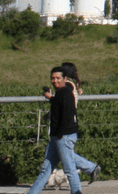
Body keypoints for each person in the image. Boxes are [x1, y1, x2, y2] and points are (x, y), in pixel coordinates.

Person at [27, 66, 85, 194]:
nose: (55, 81)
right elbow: (58, 105)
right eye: (53, 78)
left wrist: (60, 135)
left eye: (58, 78)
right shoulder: (60, 94)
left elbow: (68, 115)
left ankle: (77, 192)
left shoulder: (66, 93)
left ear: (65, 79)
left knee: (69, 168)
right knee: (46, 169)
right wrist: (51, 99)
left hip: (63, 136)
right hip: (56, 137)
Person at [57, 62, 102, 183]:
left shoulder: (67, 85)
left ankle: (90, 169)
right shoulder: (74, 84)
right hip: (71, 120)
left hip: (65, 122)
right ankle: (91, 168)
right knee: (63, 153)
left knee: (63, 153)